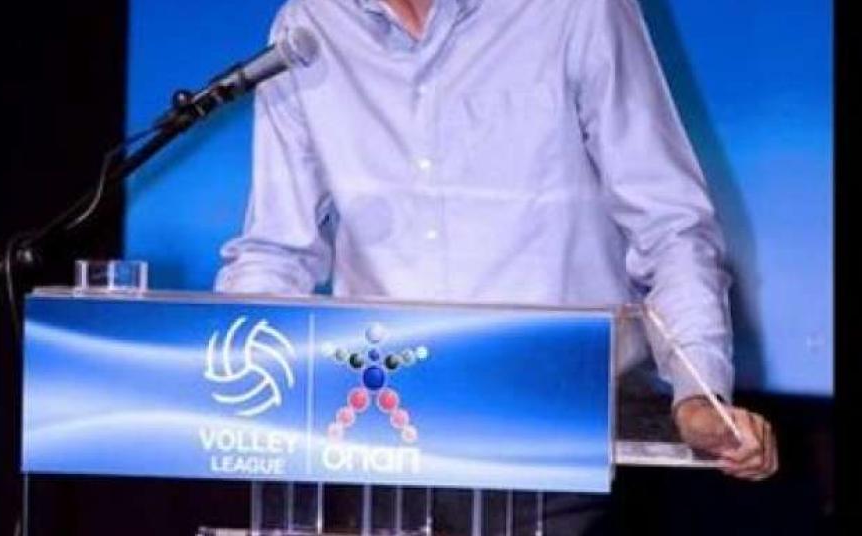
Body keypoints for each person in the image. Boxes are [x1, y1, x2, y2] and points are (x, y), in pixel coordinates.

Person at [216, 0, 778, 531]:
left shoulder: (575, 11)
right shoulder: (312, 22)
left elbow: (670, 226)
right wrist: (218, 371)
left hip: (561, 437)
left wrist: (699, 392)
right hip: (382, 442)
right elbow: (277, 250)